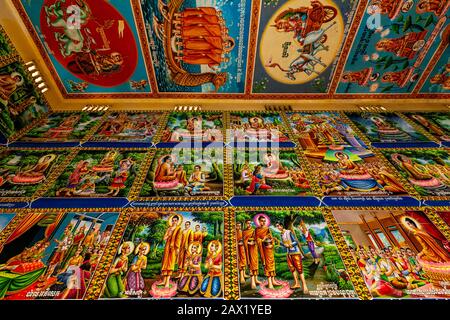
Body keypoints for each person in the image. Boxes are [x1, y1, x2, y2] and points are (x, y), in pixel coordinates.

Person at [276, 223, 309, 293]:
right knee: (292, 269)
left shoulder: (289, 232)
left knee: (299, 269)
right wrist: (279, 242)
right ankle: (297, 283)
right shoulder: (281, 234)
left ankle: (304, 285)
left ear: (282, 226)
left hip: (295, 252)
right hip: (289, 253)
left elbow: (295, 242)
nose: (278, 227)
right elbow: (285, 245)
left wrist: (290, 244)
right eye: (277, 226)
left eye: (278, 226)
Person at [254, 215, 279, 289]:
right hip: (263, 250)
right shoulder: (256, 230)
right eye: (262, 221)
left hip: (269, 249)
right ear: (259, 221)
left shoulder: (267, 229)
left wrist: (272, 243)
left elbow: (271, 238)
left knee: (272, 263)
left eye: (264, 221)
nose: (263, 222)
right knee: (267, 265)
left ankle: (273, 280)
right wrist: (262, 240)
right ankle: (270, 282)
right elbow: (256, 240)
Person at [161, 215, 182, 288]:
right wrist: (168, 235)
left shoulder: (178, 229)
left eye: (175, 220)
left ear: (178, 221)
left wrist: (177, 249)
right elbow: (164, 238)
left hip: (173, 248)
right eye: (173, 220)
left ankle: (167, 282)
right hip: (167, 247)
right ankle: (164, 281)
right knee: (165, 262)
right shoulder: (169, 228)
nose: (174, 222)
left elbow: (179, 239)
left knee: (170, 263)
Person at [243, 220, 260, 289]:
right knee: (251, 265)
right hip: (248, 251)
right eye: (248, 223)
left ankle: (256, 279)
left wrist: (254, 242)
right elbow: (243, 240)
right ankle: (252, 282)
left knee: (255, 264)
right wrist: (247, 242)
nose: (249, 224)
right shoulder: (244, 232)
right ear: (245, 224)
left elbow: (257, 239)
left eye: (250, 223)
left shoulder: (254, 230)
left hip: (254, 249)